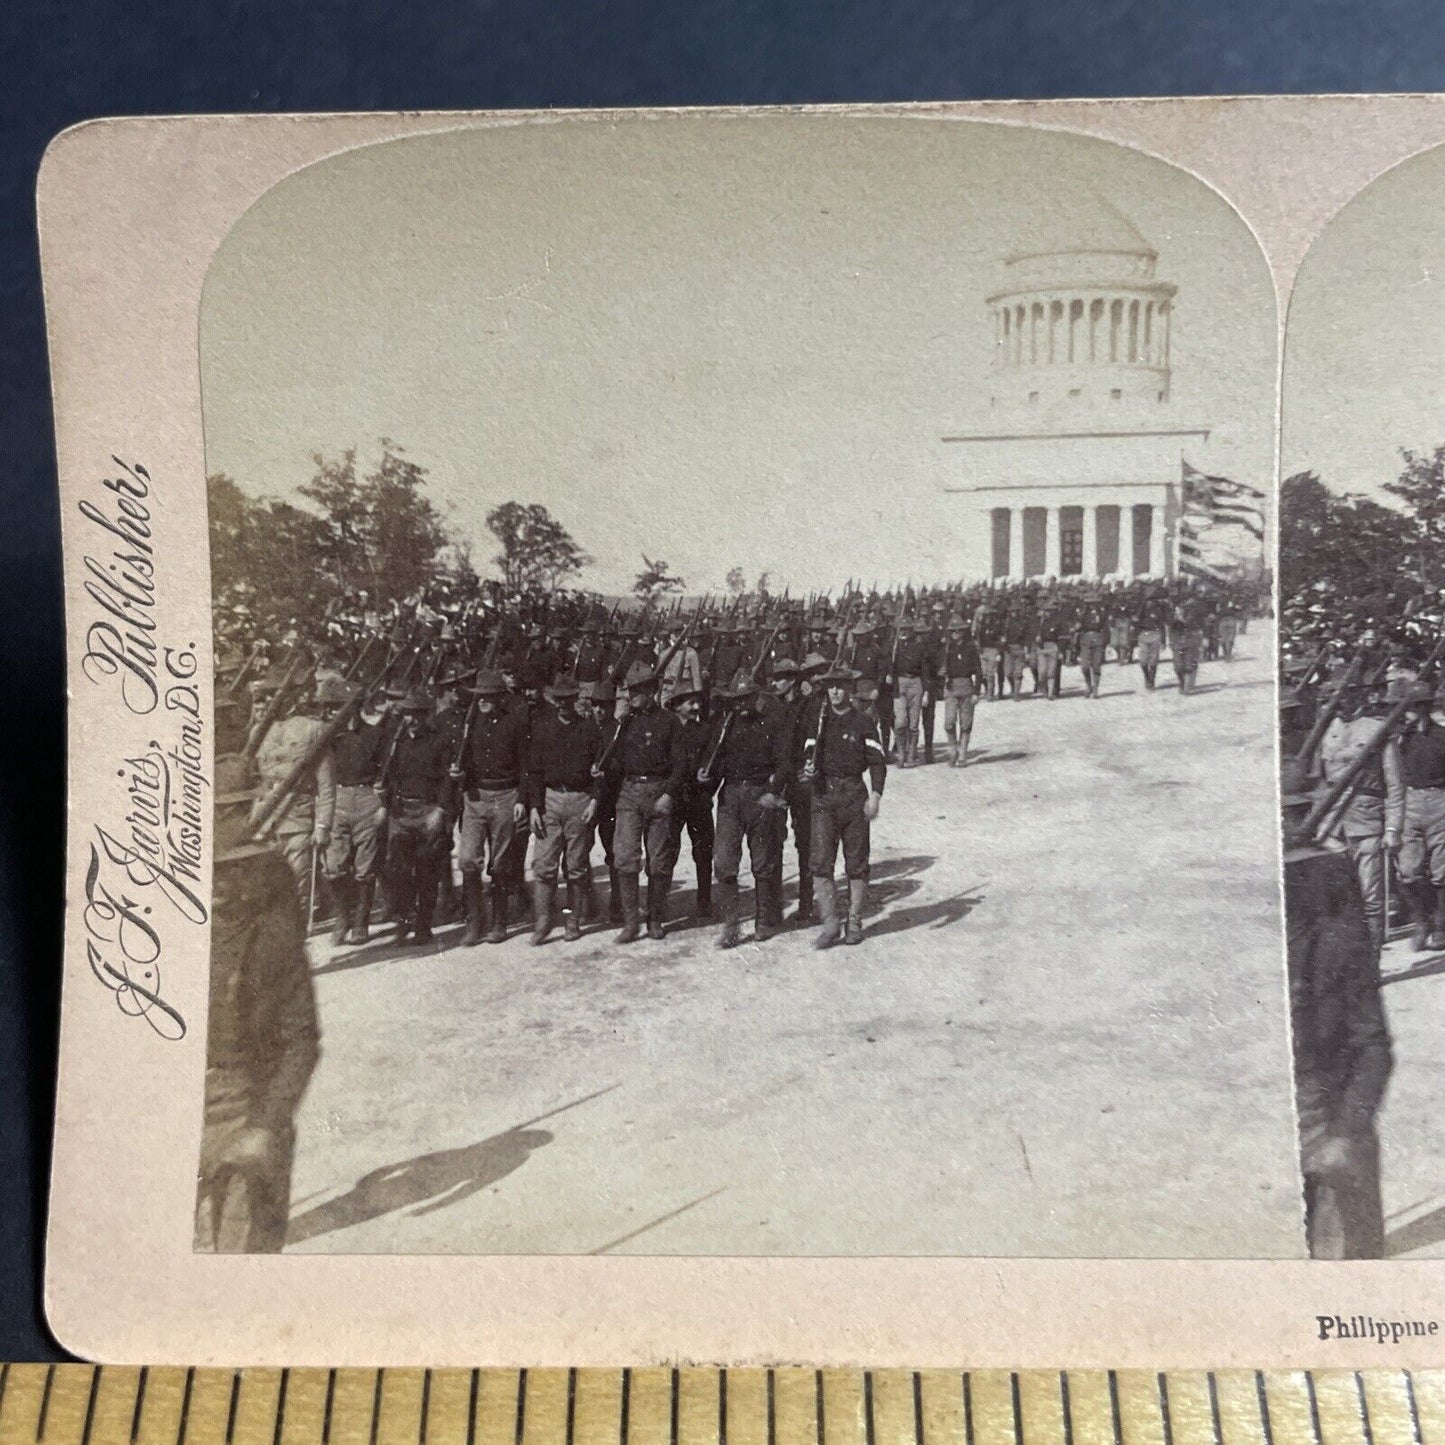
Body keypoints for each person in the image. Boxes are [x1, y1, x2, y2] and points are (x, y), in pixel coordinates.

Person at [197, 750, 319, 1253]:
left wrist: (266, 1124)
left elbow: (300, 1038)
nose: (219, 884)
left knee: (243, 1249)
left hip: (246, 1094)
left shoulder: (271, 927)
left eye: (232, 872)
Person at [1284, 796, 1392, 1259]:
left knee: (1348, 1244)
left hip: (1330, 1108)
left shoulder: (1338, 946)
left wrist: (1345, 1133)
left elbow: (1373, 1048)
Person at [1317, 677, 1404, 954]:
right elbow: (1319, 781)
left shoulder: (1377, 730)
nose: (1340, 701)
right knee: (1338, 897)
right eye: (1335, 696)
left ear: (1359, 696)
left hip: (1367, 821)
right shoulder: (1326, 730)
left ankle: (1373, 959)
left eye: (1346, 694)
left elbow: (1394, 784)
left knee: (1370, 897)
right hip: (1332, 826)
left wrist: (1393, 829)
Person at [602, 661, 688, 942]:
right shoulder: (625, 722)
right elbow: (611, 760)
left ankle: (655, 919)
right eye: (630, 691)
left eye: (637, 691)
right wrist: (617, 724)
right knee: (625, 857)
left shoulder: (670, 721)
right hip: (629, 792)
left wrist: (670, 794)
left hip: (658, 790)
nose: (631, 696)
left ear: (651, 690)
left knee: (658, 862)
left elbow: (680, 764)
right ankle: (631, 923)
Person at [704, 674, 790, 947]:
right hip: (730, 797)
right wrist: (706, 778)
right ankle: (731, 926)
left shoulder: (772, 724)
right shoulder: (725, 726)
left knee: (763, 864)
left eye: (745, 699)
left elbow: (785, 764)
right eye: (736, 700)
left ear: (757, 698)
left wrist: (773, 793)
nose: (741, 705)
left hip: (759, 795)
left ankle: (764, 921)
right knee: (724, 863)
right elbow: (714, 762)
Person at [803, 665, 887, 948]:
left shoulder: (863, 722)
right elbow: (807, 750)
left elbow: (877, 761)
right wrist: (808, 766)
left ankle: (854, 921)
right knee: (821, 862)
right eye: (831, 686)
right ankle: (830, 924)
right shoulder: (818, 720)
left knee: (857, 862)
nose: (835, 691)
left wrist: (875, 795)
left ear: (850, 690)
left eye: (840, 686)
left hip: (853, 795)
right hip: (823, 795)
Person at [451, 669, 529, 946]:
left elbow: (525, 766)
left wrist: (522, 799)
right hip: (475, 796)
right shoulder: (470, 724)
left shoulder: (514, 724)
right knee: (468, 860)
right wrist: (458, 773)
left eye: (488, 697)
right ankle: (475, 921)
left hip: (505, 795)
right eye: (479, 696)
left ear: (499, 698)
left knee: (500, 863)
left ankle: (499, 922)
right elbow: (461, 760)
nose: (483, 701)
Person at [525, 674, 604, 942]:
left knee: (576, 866)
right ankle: (543, 922)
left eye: (568, 699)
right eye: (558, 700)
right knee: (544, 866)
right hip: (550, 800)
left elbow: (599, 772)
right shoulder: (542, 727)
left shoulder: (590, 730)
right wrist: (535, 807)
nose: (563, 705)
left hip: (579, 801)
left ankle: (573, 921)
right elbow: (533, 771)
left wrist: (594, 800)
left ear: (575, 700)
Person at [251, 673, 336, 908]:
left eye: (275, 695)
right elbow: (255, 781)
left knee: (298, 886)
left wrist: (322, 825)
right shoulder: (258, 732)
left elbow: (326, 784)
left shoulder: (314, 729)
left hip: (298, 819)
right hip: (266, 823)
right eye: (266, 696)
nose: (269, 701)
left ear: (291, 697)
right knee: (269, 889)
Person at [380, 688, 453, 945]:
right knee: (399, 870)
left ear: (427, 716)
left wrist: (440, 811)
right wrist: (386, 798)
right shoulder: (396, 743)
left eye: (418, 715)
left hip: (428, 811)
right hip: (402, 812)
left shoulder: (439, 741)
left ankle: (423, 925)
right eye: (409, 715)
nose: (413, 720)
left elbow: (447, 779)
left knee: (427, 871)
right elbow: (389, 777)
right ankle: (404, 922)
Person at [322, 677, 386, 945]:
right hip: (337, 798)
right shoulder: (327, 738)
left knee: (365, 866)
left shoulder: (374, 735)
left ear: (356, 707)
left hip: (366, 797)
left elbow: (386, 771)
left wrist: (383, 805)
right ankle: (342, 916)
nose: (336, 712)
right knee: (333, 865)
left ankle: (360, 921)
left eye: (341, 706)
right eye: (334, 707)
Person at [1396, 683, 1445, 950]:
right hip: (1411, 800)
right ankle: (1420, 920)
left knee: (1441, 870)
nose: (1418, 710)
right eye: (1414, 705)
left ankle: (1440, 925)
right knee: (1408, 870)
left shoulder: (1441, 736)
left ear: (1429, 706)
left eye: (1423, 704)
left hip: (1439, 800)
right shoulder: (1403, 737)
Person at [665, 686, 716, 923]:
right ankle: (660, 901)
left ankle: (704, 901)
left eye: (697, 702)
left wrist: (708, 781)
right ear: (676, 706)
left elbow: (715, 763)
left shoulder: (705, 731)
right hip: (673, 801)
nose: (696, 707)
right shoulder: (666, 731)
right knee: (667, 851)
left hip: (698, 800)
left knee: (703, 852)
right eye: (690, 703)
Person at [941, 614, 984, 765]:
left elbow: (979, 671)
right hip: (951, 686)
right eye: (953, 631)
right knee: (949, 722)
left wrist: (976, 692)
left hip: (966, 686)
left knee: (965, 723)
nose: (955, 634)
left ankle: (962, 754)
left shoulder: (970, 648)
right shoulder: (947, 649)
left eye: (958, 631)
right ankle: (953, 749)